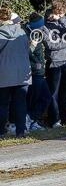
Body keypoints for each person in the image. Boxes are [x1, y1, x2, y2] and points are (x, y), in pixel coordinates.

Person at [42, 0, 66, 127]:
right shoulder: (44, 25)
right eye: (60, 12)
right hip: (54, 63)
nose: (62, 15)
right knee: (53, 93)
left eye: (64, 13)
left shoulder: (64, 20)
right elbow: (50, 45)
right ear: (54, 10)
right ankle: (54, 119)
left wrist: (61, 19)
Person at [0, 7, 31, 138]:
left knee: (2, 104)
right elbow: (28, 51)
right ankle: (20, 131)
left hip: (4, 73)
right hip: (22, 74)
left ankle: (1, 131)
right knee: (21, 103)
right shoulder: (22, 33)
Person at [25, 13, 54, 130]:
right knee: (35, 98)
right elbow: (24, 54)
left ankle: (32, 119)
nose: (42, 28)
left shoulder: (37, 33)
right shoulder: (27, 35)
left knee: (45, 97)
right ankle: (28, 120)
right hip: (32, 72)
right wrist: (31, 46)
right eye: (40, 26)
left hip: (39, 71)